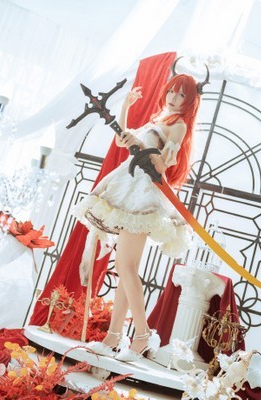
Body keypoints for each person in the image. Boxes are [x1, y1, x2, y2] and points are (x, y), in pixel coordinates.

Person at [71, 73, 203, 362]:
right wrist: (125, 108)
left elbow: (162, 165)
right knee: (125, 267)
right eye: (172, 91)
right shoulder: (162, 118)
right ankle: (113, 337)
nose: (174, 98)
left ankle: (142, 335)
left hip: (143, 196)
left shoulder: (179, 126)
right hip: (128, 188)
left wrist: (140, 145)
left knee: (125, 266)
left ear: (191, 101)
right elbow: (124, 142)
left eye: (182, 95)